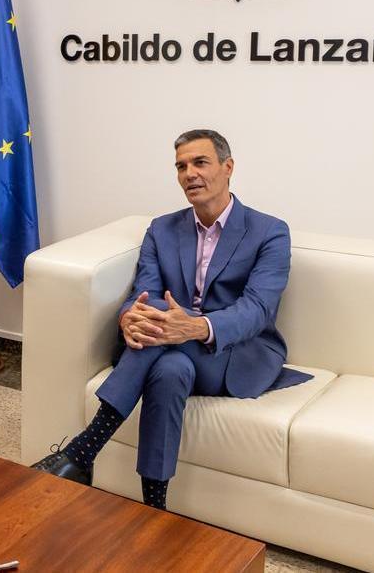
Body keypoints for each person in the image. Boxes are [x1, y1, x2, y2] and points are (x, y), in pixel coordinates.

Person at [31, 129, 311, 509]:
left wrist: (196, 327)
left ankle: (83, 450)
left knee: (164, 324)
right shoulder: (162, 229)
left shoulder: (269, 232)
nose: (189, 174)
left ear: (228, 167)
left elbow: (257, 309)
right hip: (169, 350)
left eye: (200, 163)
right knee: (171, 370)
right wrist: (129, 318)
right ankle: (155, 508)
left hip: (232, 354)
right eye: (181, 166)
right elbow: (143, 294)